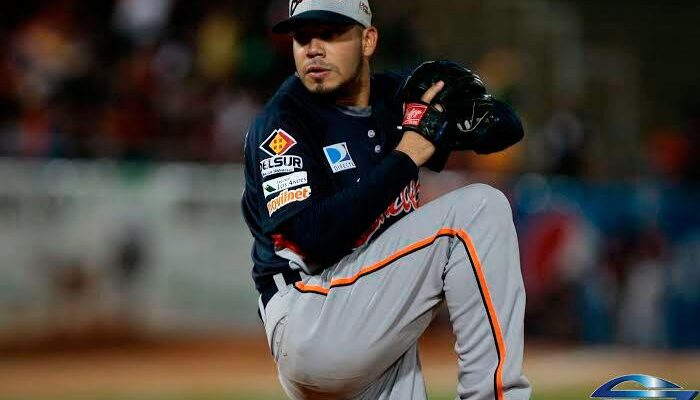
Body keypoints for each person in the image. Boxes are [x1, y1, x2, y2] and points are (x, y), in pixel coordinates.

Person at [241, 0, 531, 398]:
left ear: (368, 40)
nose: (313, 49)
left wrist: (466, 108)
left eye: (330, 33)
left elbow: (507, 130)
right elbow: (312, 235)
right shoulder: (284, 120)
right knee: (481, 210)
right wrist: (407, 155)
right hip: (312, 313)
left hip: (370, 308)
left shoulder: (396, 98)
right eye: (302, 37)